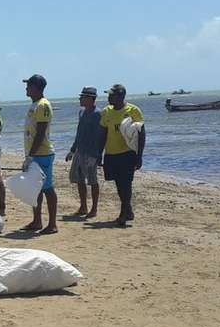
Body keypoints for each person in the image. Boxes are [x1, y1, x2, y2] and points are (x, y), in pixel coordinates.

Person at [99, 84, 146, 227]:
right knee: (119, 185)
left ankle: (123, 214)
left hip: (127, 154)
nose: (108, 97)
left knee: (126, 184)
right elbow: (102, 134)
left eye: (111, 95)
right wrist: (99, 153)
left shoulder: (133, 110)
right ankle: (129, 210)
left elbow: (141, 133)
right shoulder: (106, 111)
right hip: (111, 153)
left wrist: (139, 155)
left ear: (120, 96)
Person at [21, 74, 58, 234]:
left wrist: (31, 155)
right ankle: (37, 221)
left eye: (29, 85)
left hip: (42, 153)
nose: (26, 88)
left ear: (36, 87)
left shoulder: (42, 105)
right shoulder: (35, 104)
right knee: (35, 189)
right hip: (34, 153)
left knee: (47, 188)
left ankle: (52, 224)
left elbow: (41, 133)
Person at [66, 86, 104, 219]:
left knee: (92, 180)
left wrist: (98, 155)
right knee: (78, 179)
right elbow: (79, 132)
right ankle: (83, 206)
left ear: (90, 98)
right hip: (79, 151)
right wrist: (72, 150)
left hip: (91, 152)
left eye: (82, 97)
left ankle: (94, 208)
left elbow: (101, 136)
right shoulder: (81, 112)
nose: (80, 99)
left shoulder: (98, 114)